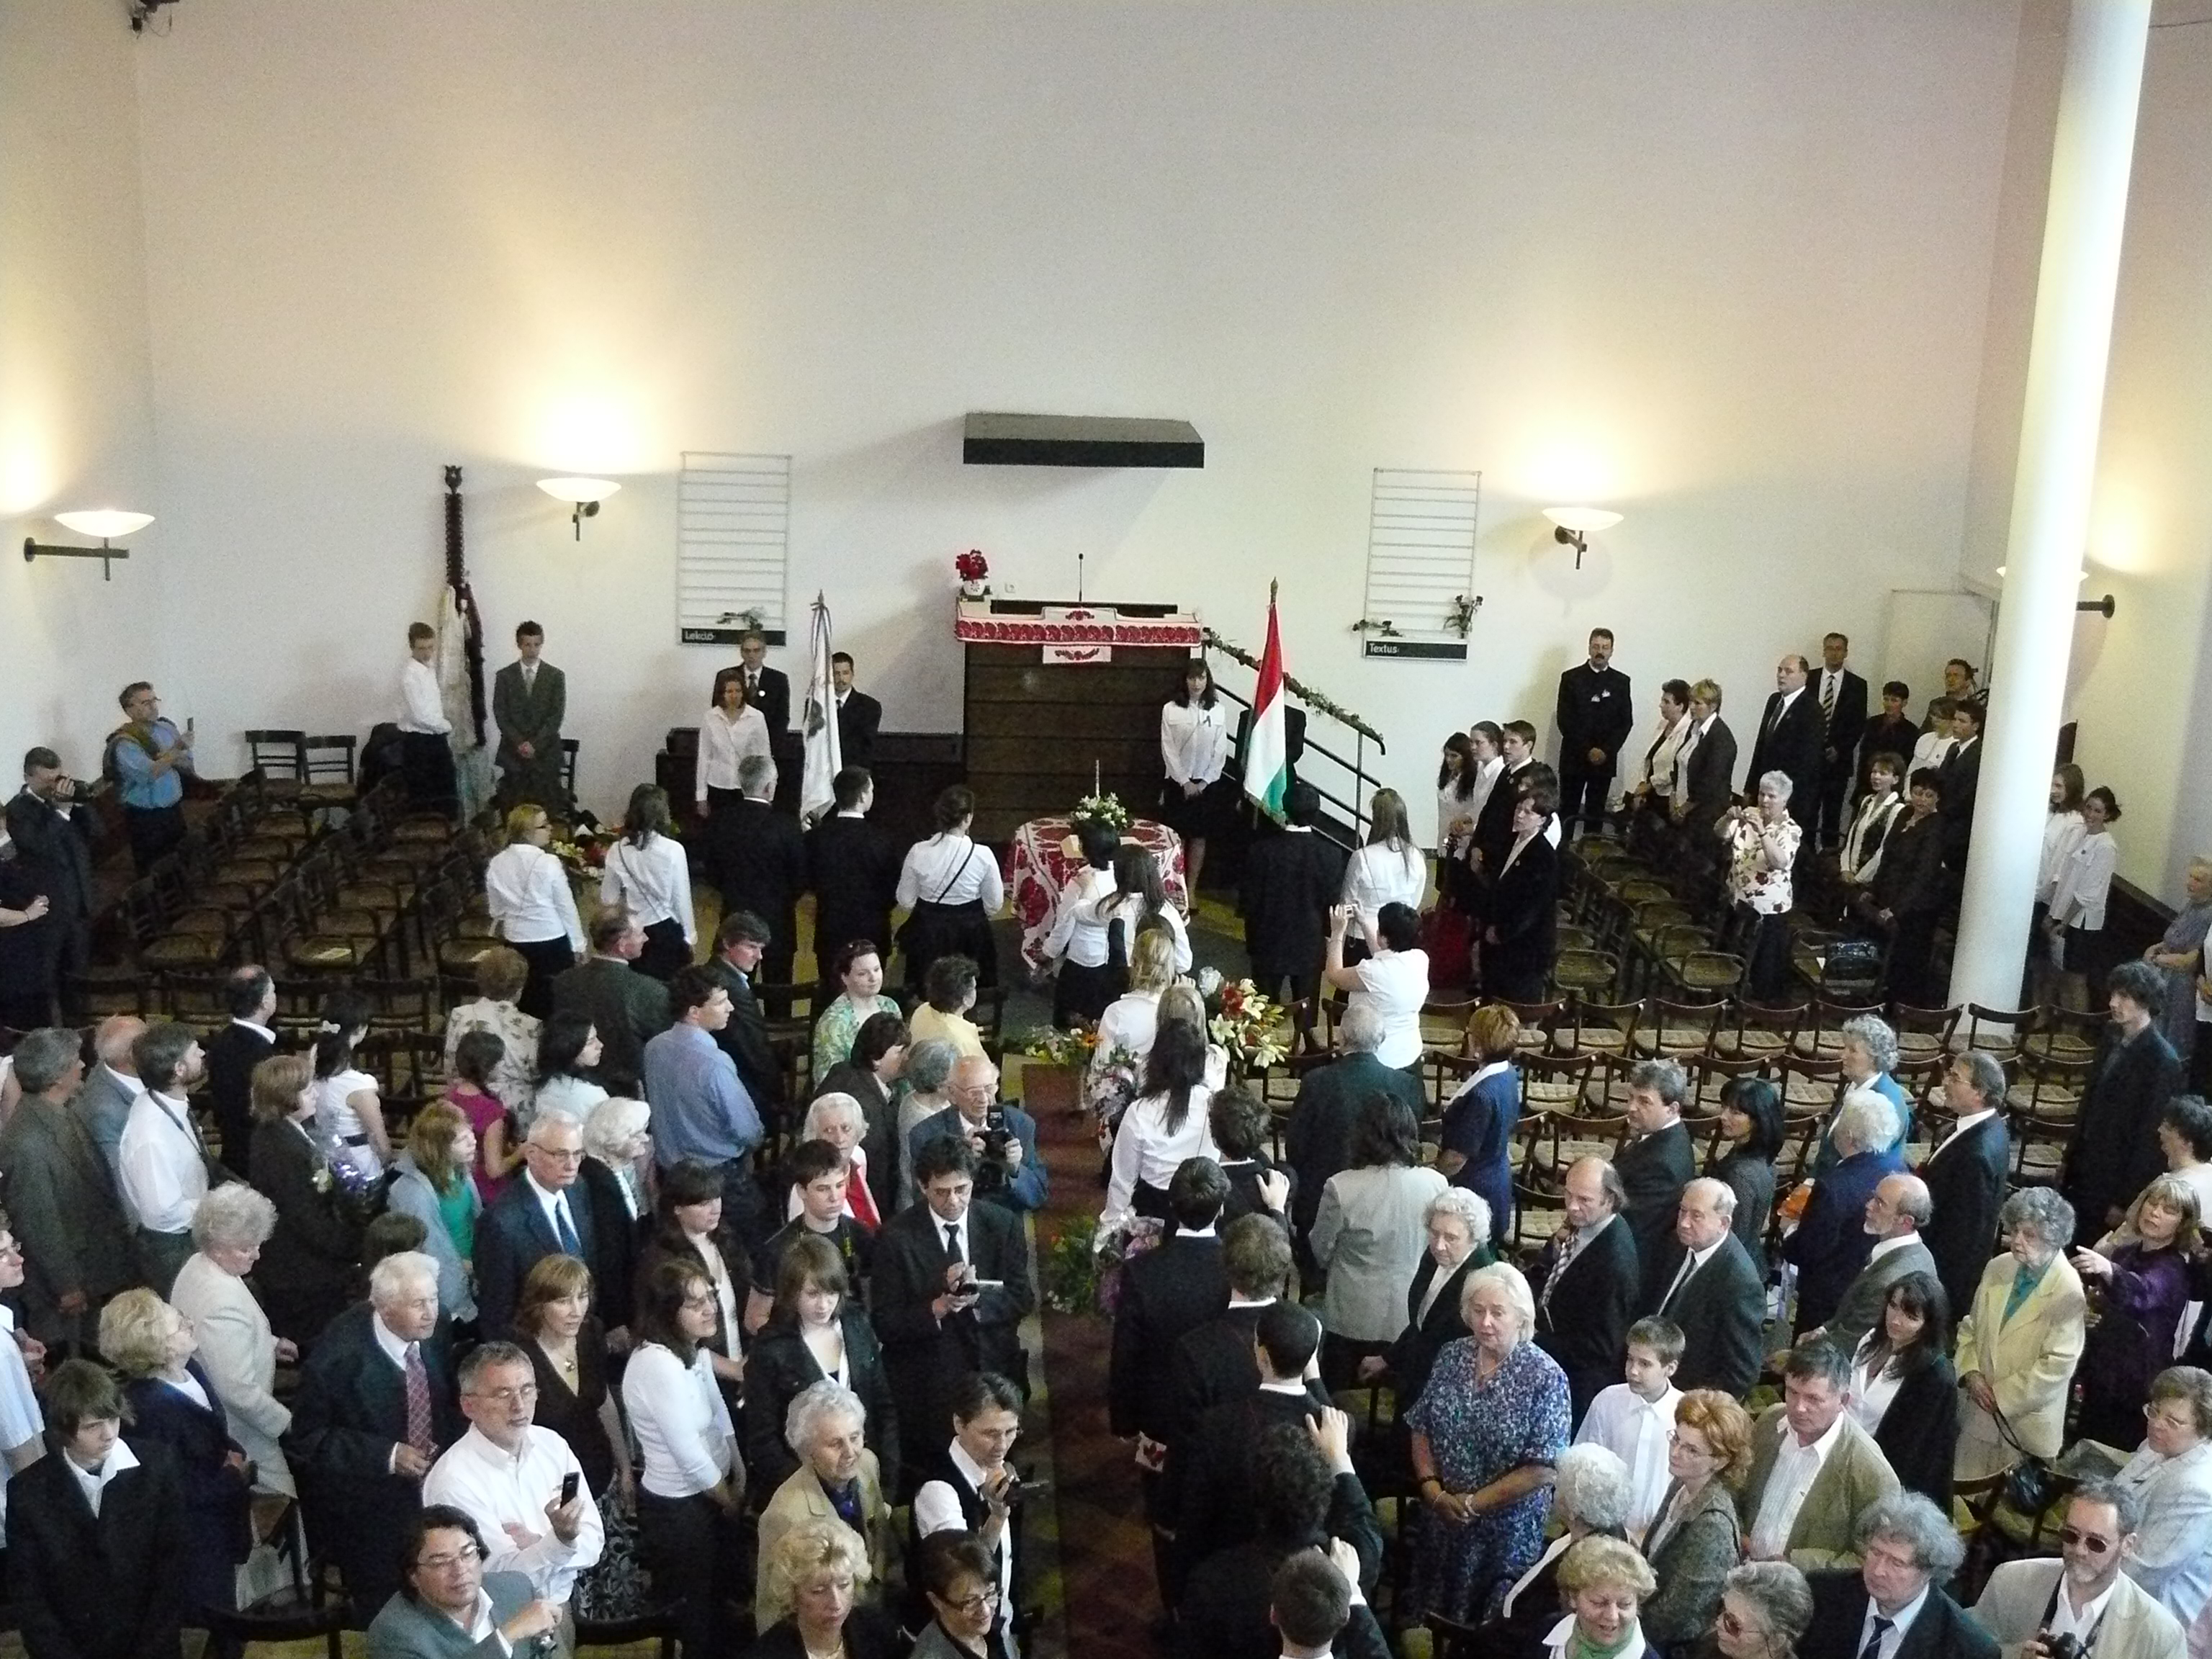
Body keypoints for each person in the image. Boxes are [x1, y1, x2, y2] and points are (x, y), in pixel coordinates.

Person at [285, 1251, 464, 1615]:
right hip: (369, 1508)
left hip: (436, 1494)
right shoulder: (337, 1359)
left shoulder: (436, 1325)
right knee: (389, 1610)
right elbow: (307, 1439)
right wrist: (387, 1455)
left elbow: (444, 1397)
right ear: (384, 1308)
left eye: (433, 1298)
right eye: (418, 1304)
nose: (431, 1312)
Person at [1406, 1262, 1573, 1622]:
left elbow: (1543, 1468)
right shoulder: (1453, 1355)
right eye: (1478, 1311)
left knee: (1484, 1630)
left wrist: (1472, 1504)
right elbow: (1421, 1423)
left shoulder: (1545, 1377)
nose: (1486, 1322)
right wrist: (1432, 1489)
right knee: (1429, 1622)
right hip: (1443, 1514)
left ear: (1521, 1317)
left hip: (1503, 1534)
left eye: (1498, 1313)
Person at [874, 1138, 1034, 1486]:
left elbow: (1023, 1297)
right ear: (922, 1187)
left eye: (962, 1189)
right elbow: (885, 1322)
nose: (953, 1201)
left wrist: (979, 1301)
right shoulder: (896, 1237)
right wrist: (936, 1308)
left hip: (992, 1371)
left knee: (998, 1474)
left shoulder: (1001, 1224)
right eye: (941, 1192)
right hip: (930, 1385)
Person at [6, 1358, 187, 1659]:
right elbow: (31, 1596)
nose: (109, 1434)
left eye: (113, 1419)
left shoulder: (158, 1467)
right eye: (92, 1426)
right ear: (63, 1429)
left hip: (151, 1646)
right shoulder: (28, 1492)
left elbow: (171, 1570)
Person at [421, 1339, 605, 1625]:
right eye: (503, 1394)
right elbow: (498, 1580)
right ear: (468, 1405)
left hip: (560, 1607)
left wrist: (542, 1546)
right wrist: (559, 1541)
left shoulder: (553, 1445)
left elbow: (594, 1541)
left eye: (527, 1390)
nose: (519, 1406)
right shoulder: (454, 1479)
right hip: (498, 1621)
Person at [99, 1288, 253, 1615]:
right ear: (158, 1346)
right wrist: (232, 1475)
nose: (190, 1323)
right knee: (213, 1622)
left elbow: (212, 1431)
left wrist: (232, 1451)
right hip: (194, 1541)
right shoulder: (148, 1409)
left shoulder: (191, 1369)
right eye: (181, 1325)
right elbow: (173, 1489)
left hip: (220, 1520)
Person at [1174, 1420, 1384, 1659]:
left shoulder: (1213, 1584)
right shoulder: (1353, 1557)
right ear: (1326, 1494)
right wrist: (1339, 1458)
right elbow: (1362, 1518)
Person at [624, 1256, 745, 1659]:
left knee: (721, 1605)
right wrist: (729, 1501)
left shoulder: (694, 1350)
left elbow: (718, 1412)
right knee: (696, 1618)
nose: (711, 1308)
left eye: (710, 1297)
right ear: (667, 1312)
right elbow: (688, 1454)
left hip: (712, 1494)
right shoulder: (656, 1364)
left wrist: (739, 1468)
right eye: (696, 1304)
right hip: (679, 1510)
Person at [0, 1026, 134, 1349]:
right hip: (73, 1280)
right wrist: (67, 1285)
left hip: (98, 1265)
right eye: (76, 1061)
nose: (83, 1065)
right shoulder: (27, 1142)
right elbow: (39, 1222)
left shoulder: (65, 1110)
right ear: (57, 1077)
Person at [1312, 1092, 1449, 1388]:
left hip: (1352, 1314)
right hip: (1408, 1313)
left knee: (1340, 1393)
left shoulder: (1341, 1187)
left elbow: (1320, 1250)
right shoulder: (1436, 1183)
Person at [743, 1236, 898, 1495]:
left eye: (831, 1292)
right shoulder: (770, 1348)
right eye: (813, 1294)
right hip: (807, 1486)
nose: (824, 1304)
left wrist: (888, 1481)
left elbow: (883, 1407)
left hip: (867, 1475)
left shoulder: (857, 1324)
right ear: (792, 1292)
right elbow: (764, 1440)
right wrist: (815, 1492)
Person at [1953, 1187, 2086, 1482]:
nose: (2016, 1240)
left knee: (2004, 1508)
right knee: (1960, 1497)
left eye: (2029, 1235)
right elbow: (1970, 1326)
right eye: (2014, 1230)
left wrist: (1998, 1397)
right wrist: (1971, 1373)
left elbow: (2057, 1366)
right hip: (1976, 1415)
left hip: (2024, 1429)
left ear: (2053, 1238)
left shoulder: (2068, 1290)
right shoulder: (1998, 1267)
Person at [171, 1183, 295, 1496]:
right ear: (217, 1247)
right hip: (241, 1432)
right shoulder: (221, 1301)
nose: (257, 1254)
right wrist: (287, 1423)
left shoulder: (198, 1265)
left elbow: (227, 1337)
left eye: (257, 1244)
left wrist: (270, 1343)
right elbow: (237, 1391)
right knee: (281, 1497)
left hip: (229, 1417)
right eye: (246, 1248)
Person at [1970, 1483, 2187, 1659]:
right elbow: (1966, 1650)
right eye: (2071, 1536)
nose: (2080, 1551)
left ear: (2127, 1546)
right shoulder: (2009, 1580)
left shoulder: (2160, 1634)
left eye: (2096, 1543)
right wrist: (2016, 1655)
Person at [1740, 1341, 1899, 1570]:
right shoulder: (1770, 1422)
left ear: (1843, 1401)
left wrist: (1794, 1564)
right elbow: (1737, 1485)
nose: (1798, 1408)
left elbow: (1868, 1557)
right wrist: (1738, 1532)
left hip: (1805, 1587)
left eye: (1813, 1399)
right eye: (1792, 1392)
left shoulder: (1871, 1472)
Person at [1111, 1157, 1233, 1453]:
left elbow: (1127, 1352)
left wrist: (1124, 1420)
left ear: (1172, 1205)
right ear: (1221, 1209)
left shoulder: (1140, 1271)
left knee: (1157, 1481)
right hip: (1221, 1410)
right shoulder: (1236, 1269)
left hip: (1160, 1411)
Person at [1282, 1001, 1427, 1241]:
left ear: (1341, 1039)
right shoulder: (1408, 1085)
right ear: (1382, 1039)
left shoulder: (1316, 1082)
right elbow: (1413, 1143)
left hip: (1321, 1200)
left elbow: (1296, 1146)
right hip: (1390, 1205)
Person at [1469, 1442, 1632, 1656]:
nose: (1554, 1491)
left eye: (1559, 1486)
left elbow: (1527, 1630)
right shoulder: (1596, 1529)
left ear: (1573, 1509)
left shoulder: (1582, 1566)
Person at [250, 1049, 367, 1346]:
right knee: (317, 1344)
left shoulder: (284, 1132)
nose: (315, 1093)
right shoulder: (282, 1150)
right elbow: (306, 1218)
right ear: (286, 1098)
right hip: (301, 1273)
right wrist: (352, 1247)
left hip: (305, 1263)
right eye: (306, 1090)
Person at [2072, 1176, 2198, 1449]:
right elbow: (2108, 1302)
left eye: (2169, 1210)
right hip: (2101, 1372)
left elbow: (2141, 1294)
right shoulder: (2126, 1253)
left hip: (2134, 1385)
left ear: (2182, 1224)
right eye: (2152, 1203)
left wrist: (2108, 1269)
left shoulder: (2174, 1269)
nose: (2155, 1213)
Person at [642, 966, 767, 1246]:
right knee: (749, 1247)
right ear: (694, 1012)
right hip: (719, 1179)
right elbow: (748, 1129)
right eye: (721, 1002)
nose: (730, 1007)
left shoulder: (654, 1048)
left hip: (670, 1176)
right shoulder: (715, 1063)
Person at [2065, 961, 2187, 1238]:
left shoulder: (2162, 1061)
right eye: (2113, 994)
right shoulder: (2111, 1036)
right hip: (2084, 1165)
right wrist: (2069, 1157)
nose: (2113, 1003)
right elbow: (2089, 1101)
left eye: (2124, 996)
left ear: (2146, 1001)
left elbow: (2149, 1138)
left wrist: (2125, 1200)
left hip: (2113, 1178)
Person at [1796, 1491, 1995, 1659]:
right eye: (1875, 1552)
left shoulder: (1967, 1649)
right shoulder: (1822, 1594)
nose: (1878, 1570)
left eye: (1897, 1563)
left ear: (1929, 1572)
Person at [913, 1373, 1030, 1658]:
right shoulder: (939, 1491)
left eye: (1011, 1432)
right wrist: (997, 1516)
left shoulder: (998, 1468)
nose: (1002, 1445)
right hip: (957, 1638)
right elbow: (967, 1572)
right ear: (959, 1424)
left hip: (998, 1621)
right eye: (990, 1433)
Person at [1639, 1388, 1754, 1652]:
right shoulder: (1682, 1482)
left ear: (1720, 1461)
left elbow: (1678, 1617)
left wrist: (1625, 1631)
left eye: (1692, 1450)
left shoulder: (1713, 1525)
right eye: (1676, 1439)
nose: (1676, 1452)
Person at [366, 1504, 561, 1659]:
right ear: (413, 1576)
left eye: (467, 1553)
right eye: (441, 1562)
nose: (460, 1569)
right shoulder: (393, 1633)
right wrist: (507, 1635)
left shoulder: (516, 1588)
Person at [1532, 1156, 1645, 1424]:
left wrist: (1536, 1338)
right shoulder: (1587, 1221)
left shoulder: (1615, 1262)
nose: (1572, 1206)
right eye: (1568, 1194)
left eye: (1584, 1199)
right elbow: (1551, 1265)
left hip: (1576, 1385)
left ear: (1610, 1200)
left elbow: (1601, 1347)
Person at [513, 1254, 631, 1509]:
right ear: (539, 1304)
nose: (576, 1311)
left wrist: (625, 1466)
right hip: (550, 1489)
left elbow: (603, 1401)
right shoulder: (519, 1356)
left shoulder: (591, 1332)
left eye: (582, 1297)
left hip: (601, 1472)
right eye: (563, 1301)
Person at [1785, 1092, 1905, 1337]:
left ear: (1848, 1135)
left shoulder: (1833, 1187)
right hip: (1870, 1290)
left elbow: (1809, 1249)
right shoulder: (1899, 1169)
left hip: (1826, 1298)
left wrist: (1789, 1233)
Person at [2106, 1367, 2212, 1630]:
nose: (2156, 1424)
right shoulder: (2157, 1446)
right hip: (2112, 1572)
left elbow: (2144, 1570)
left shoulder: (2196, 1487)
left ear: (2204, 1430)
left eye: (2173, 1422)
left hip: (2155, 1613)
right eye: (2154, 1412)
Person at [475, 1114, 598, 1339]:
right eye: (561, 1155)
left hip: (583, 1337)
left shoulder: (577, 1188)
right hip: (535, 1343)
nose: (571, 1165)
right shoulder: (501, 1222)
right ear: (531, 1154)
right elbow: (497, 1312)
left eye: (578, 1154)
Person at [118, 1022, 217, 1297]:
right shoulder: (152, 1136)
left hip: (190, 1233)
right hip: (173, 1247)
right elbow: (164, 1214)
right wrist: (217, 1206)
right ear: (179, 1069)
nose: (203, 1054)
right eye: (195, 1052)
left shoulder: (166, 1103)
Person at [635, 1161, 750, 1395]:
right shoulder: (662, 1261)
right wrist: (733, 1370)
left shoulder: (727, 1241)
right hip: (700, 1379)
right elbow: (669, 1334)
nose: (715, 1208)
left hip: (741, 1368)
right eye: (703, 1203)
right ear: (677, 1208)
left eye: (716, 1198)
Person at [1845, 1272, 1958, 1509]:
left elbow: (1914, 1456)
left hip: (1882, 1478)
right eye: (1893, 1306)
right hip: (1842, 1450)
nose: (1896, 1320)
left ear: (1928, 1324)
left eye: (1910, 1316)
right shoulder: (1870, 1340)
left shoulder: (1934, 1377)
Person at [1651, 1179, 1767, 1398]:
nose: (1684, 1223)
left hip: (1685, 1397)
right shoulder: (1677, 1243)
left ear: (1723, 1223)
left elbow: (1741, 1374)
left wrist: (1693, 1407)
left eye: (1696, 1216)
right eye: (1683, 1211)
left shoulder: (1740, 1283)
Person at [1102, 1018, 1219, 1232]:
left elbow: (1122, 1180)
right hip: (1206, 1211)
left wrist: (1110, 1226)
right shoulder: (1215, 1104)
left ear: (1156, 1061)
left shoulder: (1140, 1112)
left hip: (1154, 1213)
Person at [1238, 781, 1349, 1004]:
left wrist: (1253, 940)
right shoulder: (1331, 855)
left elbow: (1249, 902)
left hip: (1267, 943)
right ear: (1316, 814)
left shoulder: (1261, 851)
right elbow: (1331, 903)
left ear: (1284, 810)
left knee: (1261, 1013)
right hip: (1309, 944)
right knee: (1306, 1014)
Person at [1572, 1318, 1684, 1534]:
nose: (1633, 1371)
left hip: (1658, 1533)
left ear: (1670, 1368)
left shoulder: (1684, 1412)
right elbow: (1584, 1466)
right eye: (1630, 1360)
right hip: (1604, 1529)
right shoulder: (1607, 1401)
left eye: (1645, 1364)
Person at [7, 747, 98, 1012]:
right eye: (47, 780)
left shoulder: (65, 803)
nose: (54, 785)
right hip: (49, 909)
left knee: (79, 975)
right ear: (28, 777)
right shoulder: (18, 810)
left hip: (78, 901)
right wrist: (60, 812)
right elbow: (39, 845)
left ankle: (80, 1023)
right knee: (51, 979)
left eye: (57, 777)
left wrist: (79, 803)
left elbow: (97, 832)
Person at [1921, 1052, 2012, 1316]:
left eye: (1955, 1078)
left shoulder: (1976, 1155)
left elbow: (1962, 1237)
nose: (1945, 1082)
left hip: (1941, 1275)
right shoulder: (1987, 1126)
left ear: (1979, 1093)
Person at [747, 1141, 872, 1329]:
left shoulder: (861, 1236)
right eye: (823, 1189)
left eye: (839, 1185)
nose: (834, 1197)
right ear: (801, 1191)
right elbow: (755, 1318)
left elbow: (873, 1301)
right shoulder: (777, 1249)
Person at [552, 906, 673, 1098]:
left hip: (577, 1085)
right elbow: (665, 1045)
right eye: (640, 934)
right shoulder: (649, 991)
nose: (645, 938)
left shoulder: (563, 982)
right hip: (630, 1090)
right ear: (622, 945)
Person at [895, 786, 1004, 996]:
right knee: (966, 990)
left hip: (929, 930)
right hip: (971, 931)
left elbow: (905, 900)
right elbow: (995, 904)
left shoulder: (918, 851)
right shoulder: (983, 855)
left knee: (928, 989)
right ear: (968, 818)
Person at [912, 1053, 1048, 1215]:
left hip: (1004, 1221)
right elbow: (921, 1199)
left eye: (989, 1089)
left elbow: (1038, 1196)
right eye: (973, 1092)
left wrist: (1015, 1170)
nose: (984, 1099)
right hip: (956, 1221)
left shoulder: (1019, 1123)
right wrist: (959, 1157)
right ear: (952, 1094)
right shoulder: (926, 1132)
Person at [1816, 1172, 1936, 1356]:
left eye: (1880, 1203)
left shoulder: (1888, 1280)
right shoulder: (1919, 1250)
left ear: (1905, 1222)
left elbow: (1850, 1342)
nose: (1869, 1205)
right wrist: (1823, 1330)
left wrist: (1801, 1353)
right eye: (1873, 1197)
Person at [749, 1514, 899, 1659]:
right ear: (792, 1594)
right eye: (818, 1591)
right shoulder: (767, 1654)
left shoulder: (878, 1632)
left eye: (844, 1585)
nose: (836, 1603)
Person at [387, 1102, 484, 1326]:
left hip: (473, 1269)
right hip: (450, 1281)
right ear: (439, 1149)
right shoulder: (415, 1192)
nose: (473, 1141)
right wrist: (466, 1266)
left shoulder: (459, 1171)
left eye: (470, 1132)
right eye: (461, 1140)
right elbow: (431, 1249)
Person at [809, 766, 901, 985]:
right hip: (872, 931)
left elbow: (809, 882)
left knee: (831, 992)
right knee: (870, 994)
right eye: (871, 790)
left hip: (830, 929)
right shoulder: (882, 840)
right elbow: (893, 891)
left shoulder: (815, 838)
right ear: (862, 796)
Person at [1618, 1061, 1699, 1305]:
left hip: (1633, 1275)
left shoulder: (1663, 1162)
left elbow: (1630, 1227)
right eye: (1631, 1097)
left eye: (1644, 1101)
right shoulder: (1659, 1136)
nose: (1632, 1107)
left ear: (1672, 1108)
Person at [815, 1012, 909, 1223]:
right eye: (900, 1052)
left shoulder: (843, 1070)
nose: (906, 1059)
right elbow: (877, 1173)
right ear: (876, 1059)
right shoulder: (867, 1109)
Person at [1719, 772, 1804, 999]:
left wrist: (1762, 832)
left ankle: (1757, 1006)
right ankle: (1728, 996)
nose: (1764, 800)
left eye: (1772, 796)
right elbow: (1720, 834)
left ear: (1784, 799)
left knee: (1762, 970)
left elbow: (1779, 862)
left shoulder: (1790, 829)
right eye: (1762, 794)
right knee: (1731, 957)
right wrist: (1727, 818)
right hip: (1738, 898)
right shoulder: (1750, 815)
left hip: (1767, 909)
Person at [1865, 769, 1946, 1006]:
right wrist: (1874, 890)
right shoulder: (1904, 814)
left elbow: (1923, 875)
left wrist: (1897, 909)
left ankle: (1900, 1008)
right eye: (1918, 793)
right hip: (1890, 894)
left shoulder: (1936, 827)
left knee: (1906, 962)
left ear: (1938, 798)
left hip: (1917, 908)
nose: (1922, 800)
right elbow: (1887, 854)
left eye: (1929, 796)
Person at [601, 785, 696, 981]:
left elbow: (608, 899)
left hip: (631, 929)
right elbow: (681, 899)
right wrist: (689, 936)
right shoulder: (673, 850)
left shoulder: (617, 849)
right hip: (666, 929)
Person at [1323, 899, 1428, 1070]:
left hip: (1378, 1058)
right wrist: (1363, 922)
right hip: (1410, 1052)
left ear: (1383, 937)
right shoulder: (1420, 958)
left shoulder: (1371, 972)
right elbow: (1384, 955)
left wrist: (1337, 933)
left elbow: (1334, 975)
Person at [1089, 926, 1177, 1129]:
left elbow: (1100, 1071)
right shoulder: (1177, 1014)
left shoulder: (1116, 1013)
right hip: (1166, 1117)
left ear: (1134, 963)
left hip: (1122, 1117)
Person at [699, 907, 785, 1112]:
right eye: (751, 947)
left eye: (761, 948)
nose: (759, 956)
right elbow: (754, 1049)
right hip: (744, 1090)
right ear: (727, 944)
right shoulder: (732, 990)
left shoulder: (711, 973)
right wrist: (778, 1098)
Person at [1483, 786, 1563, 1002]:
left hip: (1524, 949)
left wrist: (1501, 933)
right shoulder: (1511, 841)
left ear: (1542, 820)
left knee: (1514, 1006)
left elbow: (1532, 907)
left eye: (1528, 812)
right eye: (1519, 808)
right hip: (1500, 942)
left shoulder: (1544, 856)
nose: (1519, 815)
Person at [2047, 786, 2124, 1010]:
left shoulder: (2106, 847)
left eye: (2098, 811)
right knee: (2062, 976)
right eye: (2088, 808)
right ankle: (2064, 1023)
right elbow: (2065, 878)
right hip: (2064, 915)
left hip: (2081, 922)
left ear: (2107, 815)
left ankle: (2075, 1026)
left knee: (2076, 980)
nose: (2090, 814)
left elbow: (2087, 894)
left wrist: (2063, 922)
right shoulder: (2080, 834)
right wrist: (2053, 915)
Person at [1162, 658, 1235, 894]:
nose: (1196, 683)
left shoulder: (1217, 710)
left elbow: (1220, 750)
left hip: (1207, 784)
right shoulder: (1171, 709)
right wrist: (1184, 781)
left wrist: (1203, 783)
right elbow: (1168, 748)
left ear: (1207, 680)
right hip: (1178, 783)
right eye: (1192, 678)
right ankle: (1176, 888)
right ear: (1184, 680)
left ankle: (1191, 889)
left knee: (1199, 837)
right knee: (1178, 837)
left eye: (1201, 678)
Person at [443, 948, 541, 1122]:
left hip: (465, 1109)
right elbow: (535, 1075)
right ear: (519, 989)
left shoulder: (459, 1015)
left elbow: (450, 1067)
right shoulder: (531, 1026)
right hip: (513, 1114)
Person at [697, 668, 778, 878]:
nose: (734, 695)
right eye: (729, 691)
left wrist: (769, 791)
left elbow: (765, 756)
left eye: (738, 691)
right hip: (719, 785)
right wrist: (701, 796)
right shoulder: (710, 717)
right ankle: (718, 876)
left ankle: (742, 874)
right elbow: (704, 757)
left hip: (747, 788)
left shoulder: (756, 717)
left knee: (744, 835)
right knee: (719, 834)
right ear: (721, 693)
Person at [1557, 627, 1636, 839]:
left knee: (1596, 813)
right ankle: (1562, 854)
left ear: (1612, 651)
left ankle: (1591, 855)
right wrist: (1588, 750)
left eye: (1605, 647)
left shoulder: (1621, 682)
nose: (1600, 652)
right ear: (1589, 648)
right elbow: (1565, 720)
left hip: (1604, 760)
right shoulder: (1571, 678)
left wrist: (1605, 751)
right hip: (1574, 758)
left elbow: (1625, 722)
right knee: (1567, 811)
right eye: (1596, 646)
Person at [204, 964, 279, 1177]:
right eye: (273, 991)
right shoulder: (261, 1053)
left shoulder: (221, 1041)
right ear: (264, 1002)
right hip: (259, 1160)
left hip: (232, 1150)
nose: (275, 996)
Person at [312, 990, 391, 1182]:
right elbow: (379, 1141)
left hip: (324, 1160)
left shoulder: (313, 1058)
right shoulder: (358, 1085)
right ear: (361, 1029)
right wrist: (389, 1165)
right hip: (358, 1169)